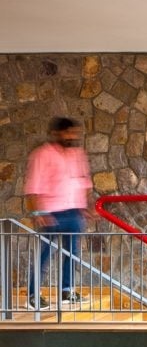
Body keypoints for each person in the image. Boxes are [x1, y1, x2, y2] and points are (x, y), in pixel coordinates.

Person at [24, 117, 93, 310]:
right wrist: (38, 211)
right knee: (44, 255)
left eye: (75, 133)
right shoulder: (42, 154)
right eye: (68, 133)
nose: (72, 136)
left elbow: (84, 182)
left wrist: (85, 208)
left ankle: (67, 292)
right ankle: (33, 295)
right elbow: (33, 186)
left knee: (72, 253)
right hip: (51, 213)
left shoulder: (78, 154)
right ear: (57, 133)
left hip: (74, 212)